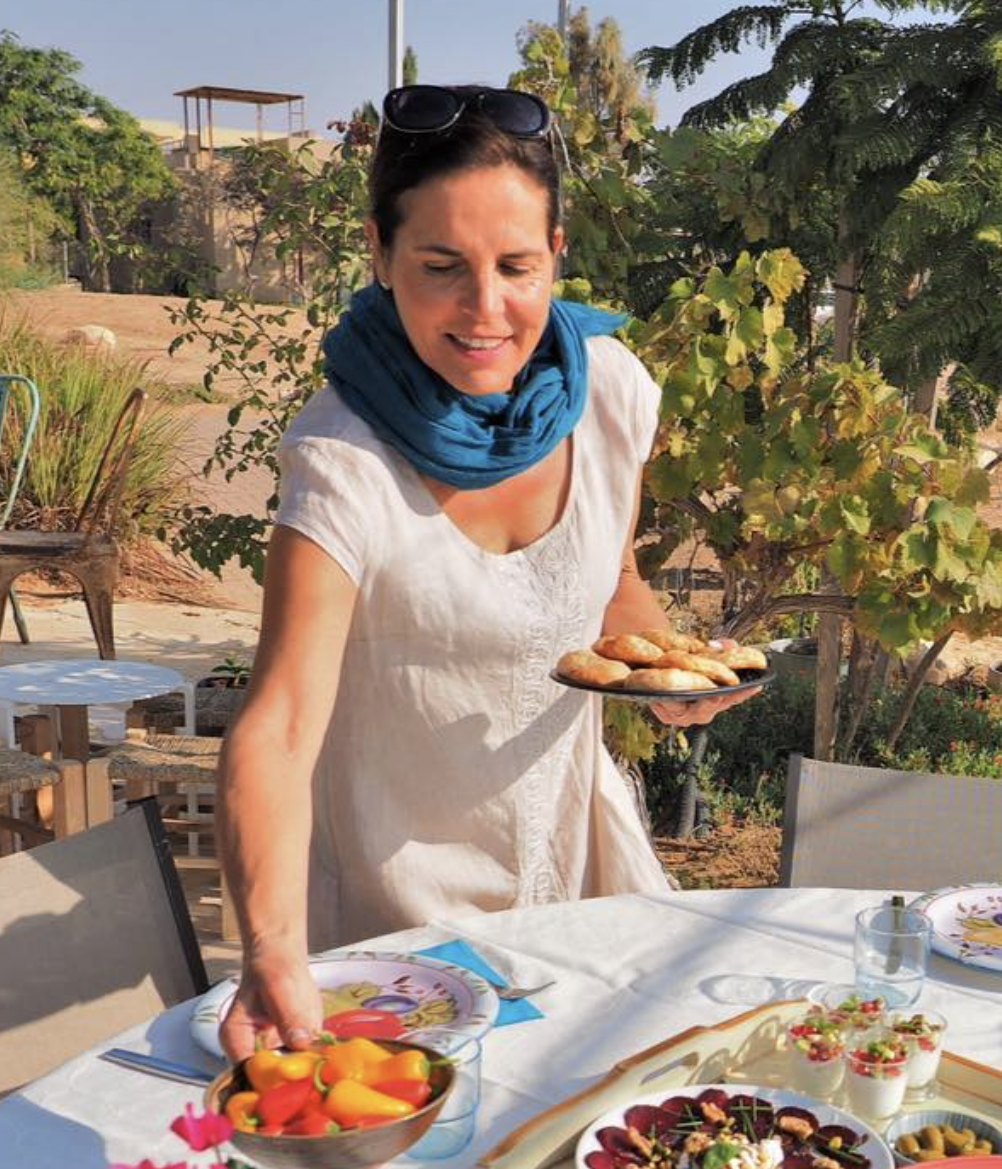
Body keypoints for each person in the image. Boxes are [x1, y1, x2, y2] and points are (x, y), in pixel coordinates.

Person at [217, 83, 755, 1059]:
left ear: (556, 252)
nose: (485, 310)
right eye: (440, 267)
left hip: (577, 876)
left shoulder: (610, 393)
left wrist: (669, 674)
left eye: (516, 266)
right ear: (379, 254)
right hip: (398, 920)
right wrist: (269, 947)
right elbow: (281, 725)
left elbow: (612, 583)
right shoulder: (343, 460)